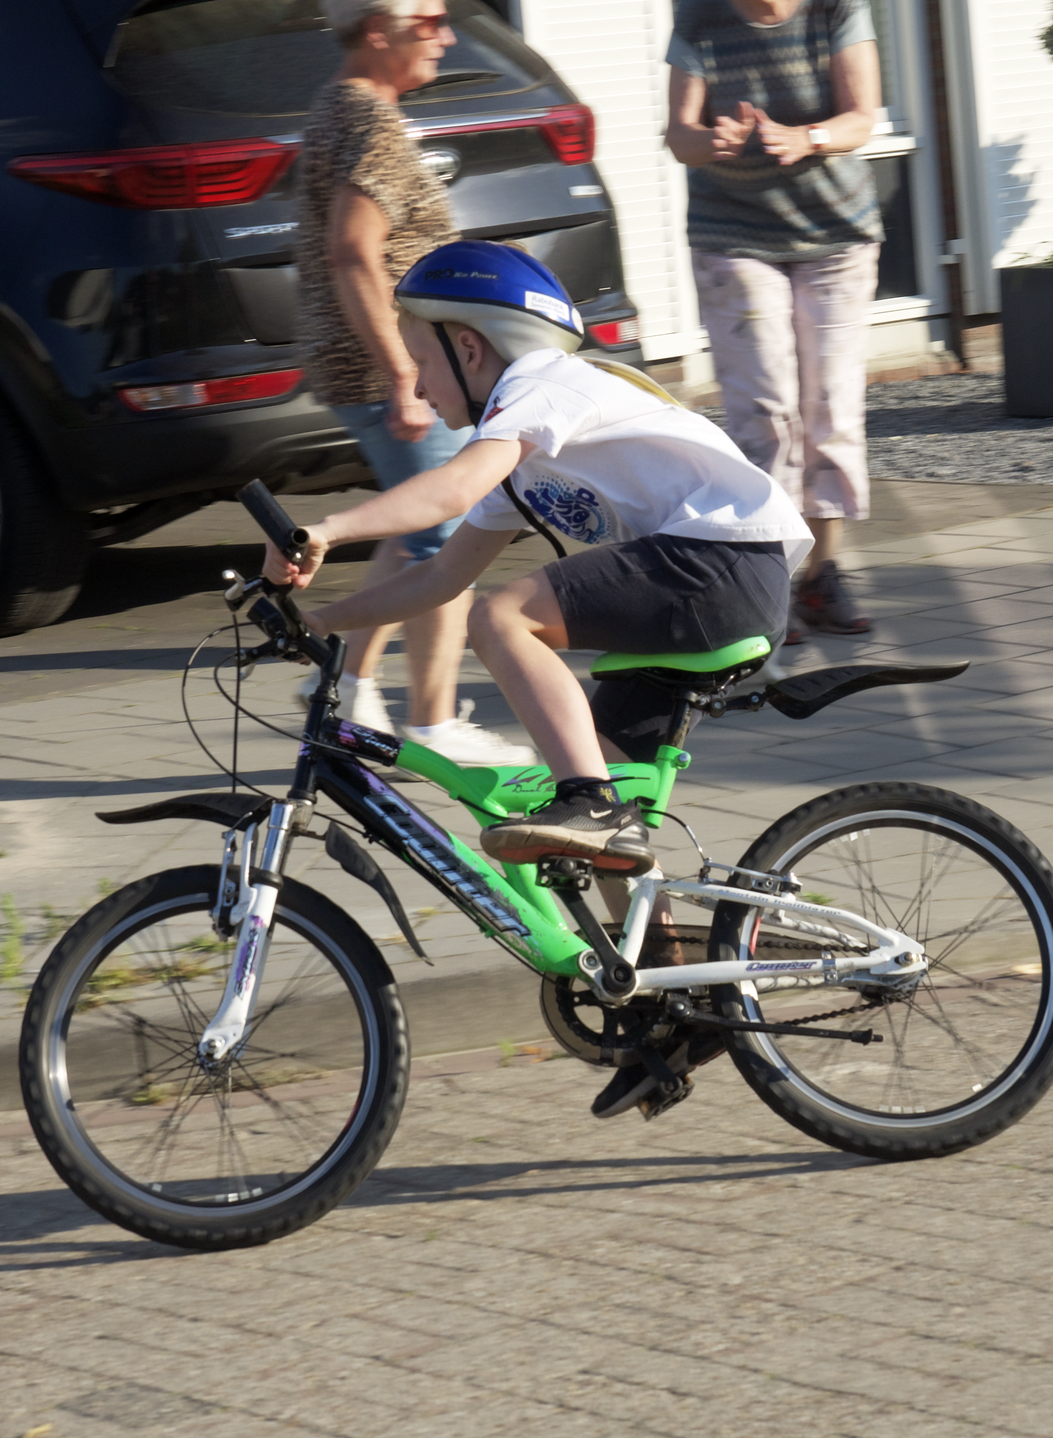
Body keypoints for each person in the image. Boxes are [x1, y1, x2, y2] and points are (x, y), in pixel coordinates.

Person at [267, 242, 809, 1119]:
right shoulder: (520, 455)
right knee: (605, 807)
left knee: (503, 618)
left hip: (724, 562)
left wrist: (323, 528)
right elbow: (437, 575)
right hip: (703, 581)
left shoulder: (543, 384)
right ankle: (671, 1008)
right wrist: (317, 623)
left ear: (470, 346)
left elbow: (448, 492)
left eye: (420, 360)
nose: (417, 387)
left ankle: (590, 803)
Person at [295, 0, 529, 765]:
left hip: (362, 359)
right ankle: (429, 720)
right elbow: (352, 251)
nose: (446, 35)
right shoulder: (370, 121)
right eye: (427, 19)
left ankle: (350, 680)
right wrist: (404, 372)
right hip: (394, 363)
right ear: (377, 29)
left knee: (420, 526)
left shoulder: (339, 103)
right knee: (447, 539)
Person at [664, 0, 882, 642]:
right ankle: (768, 582)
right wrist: (712, 140)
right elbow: (679, 137)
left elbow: (862, 118)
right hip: (734, 238)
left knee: (832, 410)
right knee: (765, 415)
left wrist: (807, 137)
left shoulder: (835, 9)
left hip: (835, 234)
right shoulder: (700, 15)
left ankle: (823, 573)